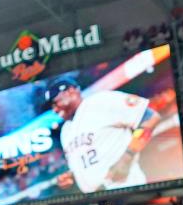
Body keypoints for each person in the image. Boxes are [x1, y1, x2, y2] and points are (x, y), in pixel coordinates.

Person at [47, 77, 175, 193]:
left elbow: (150, 118)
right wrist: (72, 176)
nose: (54, 109)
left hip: (125, 188)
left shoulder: (100, 101)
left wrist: (126, 158)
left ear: (70, 91)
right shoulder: (66, 131)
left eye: (55, 102)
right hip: (95, 200)